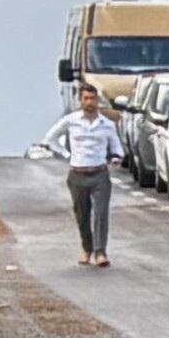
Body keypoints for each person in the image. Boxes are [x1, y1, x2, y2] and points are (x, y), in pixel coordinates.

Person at [42, 81, 123, 266]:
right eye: (86, 98)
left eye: (92, 98)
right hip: (77, 173)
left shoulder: (107, 124)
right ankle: (87, 248)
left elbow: (116, 145)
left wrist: (117, 157)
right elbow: (50, 139)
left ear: (97, 101)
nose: (89, 102)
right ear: (80, 100)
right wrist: (66, 155)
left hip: (99, 173)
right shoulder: (71, 121)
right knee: (82, 214)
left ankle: (101, 252)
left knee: (101, 213)